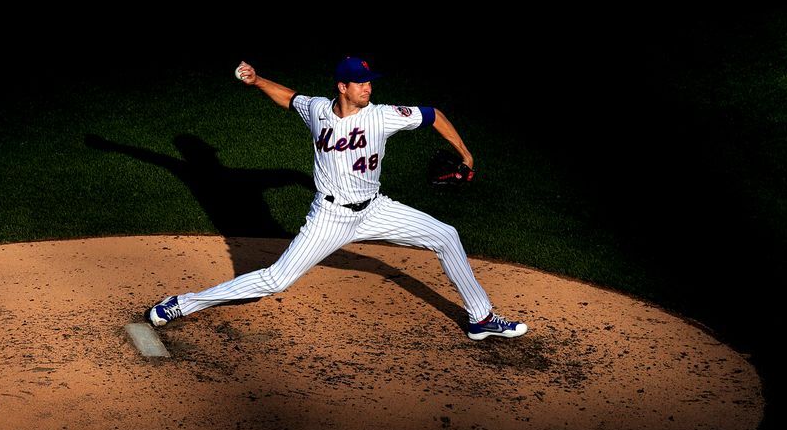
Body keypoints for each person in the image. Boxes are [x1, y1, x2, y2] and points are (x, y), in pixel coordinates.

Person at [147, 57, 527, 341]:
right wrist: (258, 80)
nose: (369, 88)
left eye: (369, 82)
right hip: (328, 218)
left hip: (376, 209)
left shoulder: (383, 116)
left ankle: (481, 318)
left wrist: (466, 154)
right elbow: (289, 98)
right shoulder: (317, 110)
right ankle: (182, 302)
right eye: (361, 83)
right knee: (276, 280)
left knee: (446, 235)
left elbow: (433, 115)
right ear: (343, 87)